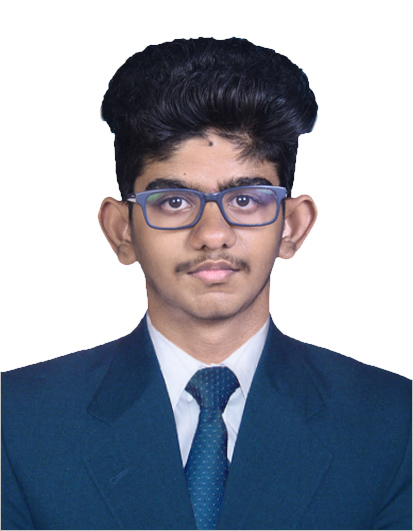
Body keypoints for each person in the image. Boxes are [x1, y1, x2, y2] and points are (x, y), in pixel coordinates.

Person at [1, 37, 411, 531]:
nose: (212, 234)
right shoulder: (17, 422)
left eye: (246, 199)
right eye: (174, 201)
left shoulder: (394, 424)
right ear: (122, 230)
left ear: (292, 226)